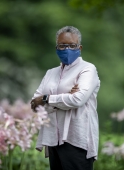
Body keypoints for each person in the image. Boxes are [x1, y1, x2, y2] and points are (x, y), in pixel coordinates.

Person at [31, 26, 100, 170]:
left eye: (72, 45)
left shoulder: (88, 69)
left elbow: (77, 100)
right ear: (56, 47)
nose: (67, 49)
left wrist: (46, 99)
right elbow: (34, 104)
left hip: (76, 140)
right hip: (53, 139)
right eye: (62, 45)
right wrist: (64, 97)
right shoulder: (51, 73)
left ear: (79, 47)